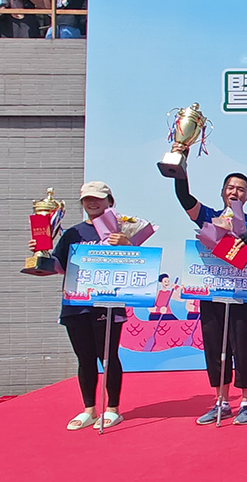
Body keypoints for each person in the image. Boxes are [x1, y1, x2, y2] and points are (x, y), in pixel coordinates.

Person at [173, 170, 247, 426]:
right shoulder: (209, 217)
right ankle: (221, 402)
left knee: (243, 348)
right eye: (230, 187)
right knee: (214, 348)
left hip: (243, 296)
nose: (235, 192)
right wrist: (179, 166)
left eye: (241, 189)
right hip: (212, 294)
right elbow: (183, 196)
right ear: (222, 192)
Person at [28, 182, 130, 430]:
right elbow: (59, 266)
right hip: (76, 303)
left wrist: (127, 245)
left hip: (107, 304)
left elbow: (135, 264)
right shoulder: (72, 233)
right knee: (84, 358)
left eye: (98, 198)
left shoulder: (123, 229)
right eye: (87, 199)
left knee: (108, 356)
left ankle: (112, 408)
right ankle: (89, 410)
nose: (92, 203)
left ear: (110, 201)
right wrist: (41, 254)